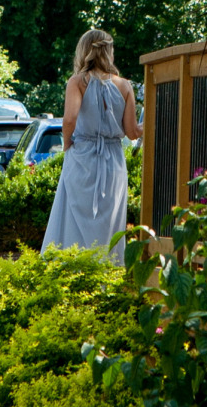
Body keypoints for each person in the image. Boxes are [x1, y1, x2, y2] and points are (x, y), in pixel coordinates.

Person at [41, 29, 142, 265]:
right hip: (114, 161)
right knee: (110, 221)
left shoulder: (77, 82)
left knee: (72, 218)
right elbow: (132, 132)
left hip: (83, 156)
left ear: (84, 51)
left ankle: (72, 270)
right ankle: (107, 273)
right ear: (109, 51)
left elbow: (69, 119)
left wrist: (67, 143)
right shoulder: (125, 85)